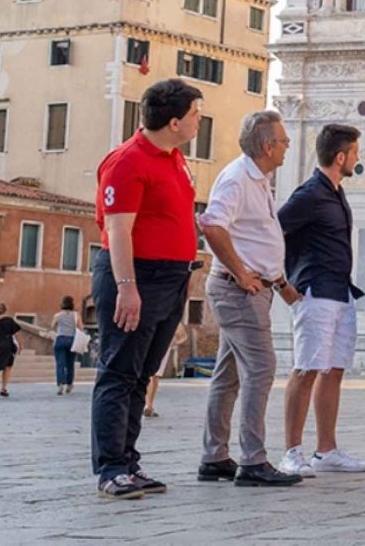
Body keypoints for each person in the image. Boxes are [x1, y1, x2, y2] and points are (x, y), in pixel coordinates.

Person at [91, 78, 203, 501]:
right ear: (174, 121)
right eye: (194, 115)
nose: (198, 121)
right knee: (119, 372)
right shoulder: (127, 161)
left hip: (172, 278)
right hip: (136, 275)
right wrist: (127, 288)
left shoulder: (174, 159)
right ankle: (110, 470)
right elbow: (118, 230)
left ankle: (128, 462)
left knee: (142, 375)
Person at [196, 111, 303, 489]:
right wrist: (242, 272)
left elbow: (256, 240)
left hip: (250, 288)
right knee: (260, 369)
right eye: (284, 140)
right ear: (267, 145)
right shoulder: (239, 178)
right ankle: (253, 460)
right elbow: (211, 224)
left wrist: (281, 284)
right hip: (238, 289)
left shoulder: (257, 180)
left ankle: (214, 456)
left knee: (227, 375)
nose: (288, 146)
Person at [276, 124, 365, 476]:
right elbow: (273, 230)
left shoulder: (335, 192)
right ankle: (291, 452)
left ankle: (326, 450)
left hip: (340, 292)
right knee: (306, 369)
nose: (358, 159)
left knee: (333, 370)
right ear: (340, 156)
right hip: (314, 292)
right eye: (356, 153)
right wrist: (281, 283)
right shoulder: (310, 194)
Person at [143, 322, 186, 418]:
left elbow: (182, 336)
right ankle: (149, 404)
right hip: (163, 347)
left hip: (153, 346)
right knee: (155, 376)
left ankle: (148, 404)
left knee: (151, 375)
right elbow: (182, 337)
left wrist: (173, 343)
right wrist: (173, 343)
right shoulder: (171, 315)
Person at [53, 296, 82, 394]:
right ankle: (69, 385)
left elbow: (52, 326)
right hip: (72, 340)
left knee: (60, 364)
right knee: (70, 364)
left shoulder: (58, 315)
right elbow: (81, 327)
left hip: (60, 339)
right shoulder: (76, 315)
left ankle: (60, 384)